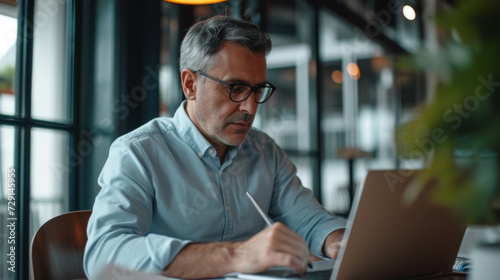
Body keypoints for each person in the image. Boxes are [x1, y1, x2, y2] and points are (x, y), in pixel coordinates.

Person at [83, 15, 346, 279]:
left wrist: (337, 240)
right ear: (190, 85)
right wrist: (238, 255)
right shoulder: (138, 153)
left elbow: (310, 221)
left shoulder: (265, 151)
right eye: (235, 88)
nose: (250, 107)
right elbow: (104, 256)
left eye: (257, 90)